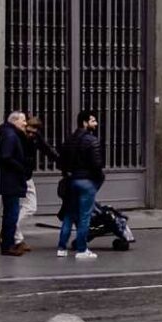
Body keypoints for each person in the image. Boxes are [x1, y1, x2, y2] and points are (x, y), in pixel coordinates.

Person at [56, 110, 105, 261]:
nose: (96, 124)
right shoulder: (92, 140)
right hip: (86, 181)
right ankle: (82, 249)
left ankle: (61, 248)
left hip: (72, 181)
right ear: (85, 122)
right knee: (85, 217)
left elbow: (61, 161)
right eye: (93, 121)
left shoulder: (69, 139)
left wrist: (68, 174)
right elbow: (97, 164)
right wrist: (98, 179)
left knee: (69, 215)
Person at [0, 109, 39, 257]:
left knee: (10, 212)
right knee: (11, 213)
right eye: (23, 120)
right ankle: (8, 245)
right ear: (14, 121)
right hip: (11, 180)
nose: (25, 123)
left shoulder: (11, 134)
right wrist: (21, 167)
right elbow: (5, 157)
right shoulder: (10, 135)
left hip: (10, 180)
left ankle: (9, 243)